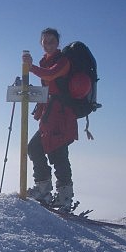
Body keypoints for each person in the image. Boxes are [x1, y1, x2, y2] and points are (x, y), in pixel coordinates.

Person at [22, 28, 78, 211]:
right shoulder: (43, 61)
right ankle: (43, 189)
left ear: (58, 43)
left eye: (52, 41)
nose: (48, 45)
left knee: (58, 154)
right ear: (41, 43)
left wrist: (31, 67)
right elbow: (48, 88)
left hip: (62, 117)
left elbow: (51, 75)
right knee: (34, 147)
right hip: (49, 116)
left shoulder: (63, 61)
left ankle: (64, 198)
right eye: (45, 42)